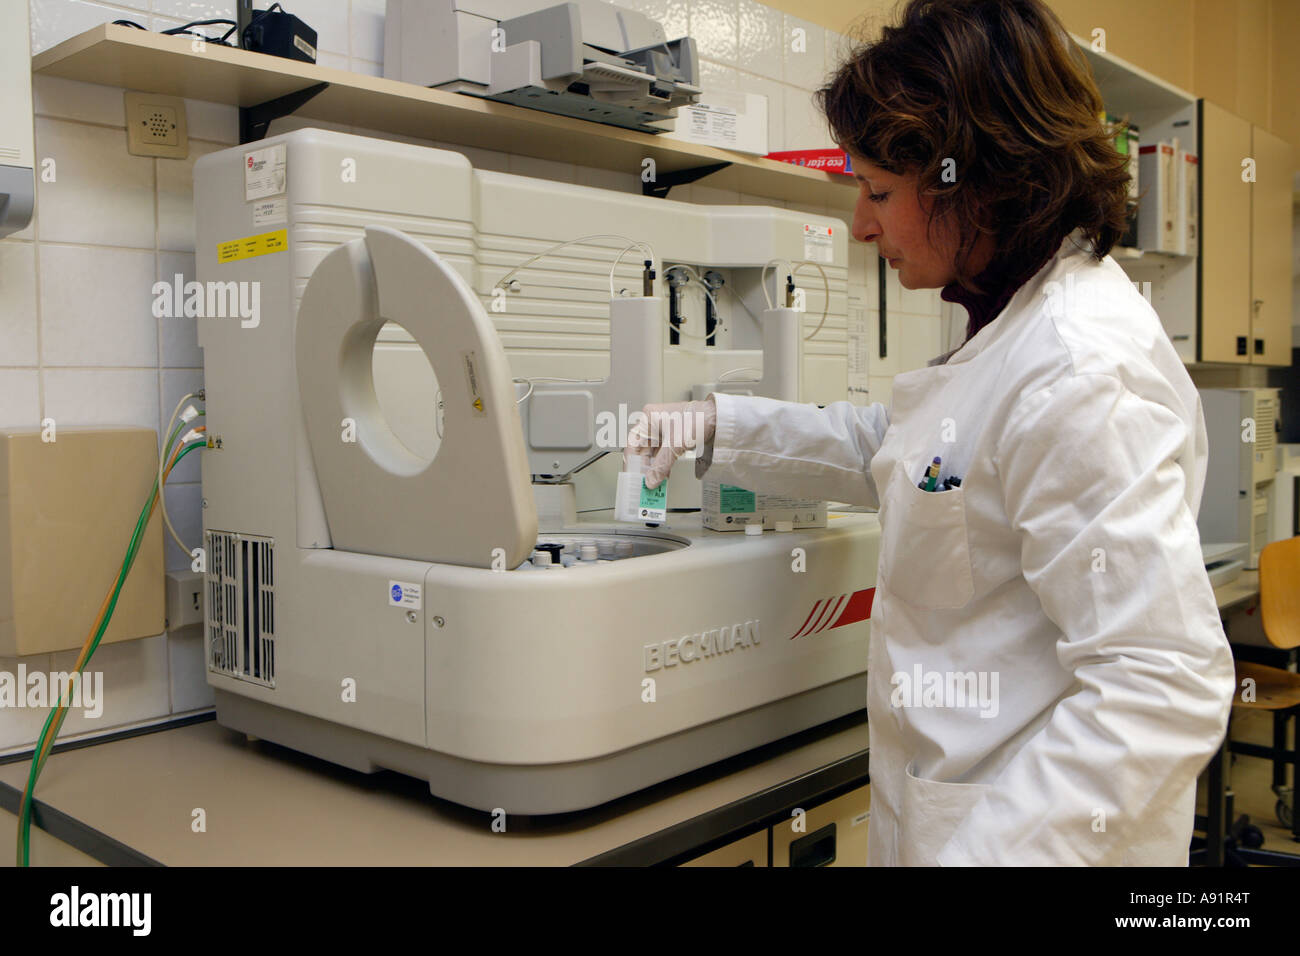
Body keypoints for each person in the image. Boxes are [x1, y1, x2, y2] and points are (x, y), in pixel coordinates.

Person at [626, 0, 1234, 866]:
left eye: (877, 192)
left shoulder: (1078, 370)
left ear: (974, 182)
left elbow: (1161, 683)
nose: (861, 226)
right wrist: (720, 421)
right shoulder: (1011, 322)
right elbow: (920, 459)